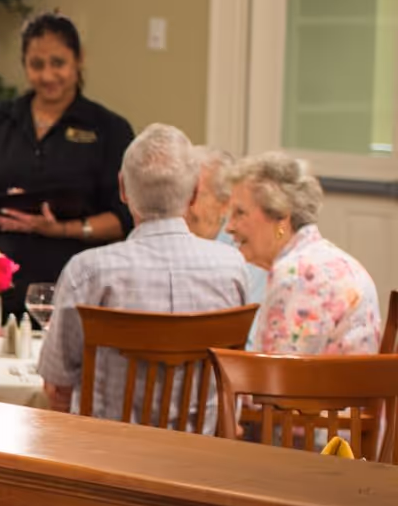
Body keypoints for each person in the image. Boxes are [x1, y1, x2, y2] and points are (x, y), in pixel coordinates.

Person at [35, 125, 251, 421]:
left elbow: (57, 387)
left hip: (106, 456)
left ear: (122, 189)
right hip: (203, 459)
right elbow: (234, 377)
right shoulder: (232, 267)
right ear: (193, 194)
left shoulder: (88, 271)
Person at [0, 12, 135, 319]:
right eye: (37, 65)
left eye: (58, 63)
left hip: (77, 285)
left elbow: (125, 217)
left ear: (79, 60)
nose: (48, 76)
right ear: (24, 65)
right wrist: (0, 211)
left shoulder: (109, 129)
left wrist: (62, 228)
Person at [223, 152, 383, 355]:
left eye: (240, 213)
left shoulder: (296, 275)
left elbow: (272, 379)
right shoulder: (339, 262)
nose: (229, 227)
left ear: (280, 216)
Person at [185, 146, 269, 324]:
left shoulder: (248, 255)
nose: (182, 207)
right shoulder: (171, 246)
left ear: (224, 204)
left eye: (193, 196)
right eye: (180, 194)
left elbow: (249, 337)